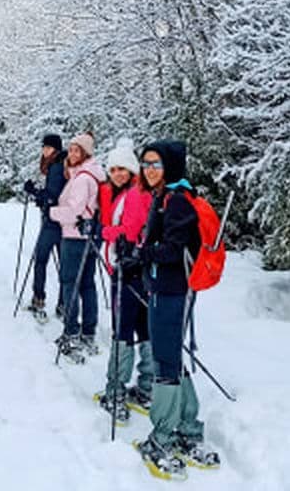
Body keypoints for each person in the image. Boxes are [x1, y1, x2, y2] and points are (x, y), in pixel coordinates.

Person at [131, 140, 219, 477]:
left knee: (166, 362)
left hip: (172, 292)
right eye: (146, 163)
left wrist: (142, 255)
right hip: (165, 289)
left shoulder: (178, 202)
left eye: (156, 164)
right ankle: (188, 430)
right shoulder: (165, 197)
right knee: (171, 359)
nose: (149, 169)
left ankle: (163, 438)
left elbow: (170, 250)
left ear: (170, 166)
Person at [93, 138, 154, 424]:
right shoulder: (138, 192)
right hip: (141, 271)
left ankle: (115, 392)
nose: (117, 174)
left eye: (122, 169)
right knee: (143, 327)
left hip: (126, 270)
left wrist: (103, 231)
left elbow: (128, 232)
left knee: (122, 330)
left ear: (132, 171)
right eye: (113, 169)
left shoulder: (133, 195)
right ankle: (146, 387)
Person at [49, 132, 106, 360]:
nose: (72, 154)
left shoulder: (82, 178)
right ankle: (88, 331)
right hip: (90, 236)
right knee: (86, 284)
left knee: (69, 282)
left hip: (74, 236)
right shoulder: (92, 174)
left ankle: (71, 331)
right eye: (71, 149)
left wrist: (52, 212)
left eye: (77, 150)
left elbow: (74, 211)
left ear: (86, 154)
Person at [23, 134, 68, 320]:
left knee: (41, 260)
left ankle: (38, 299)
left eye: (48, 148)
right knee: (63, 266)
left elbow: (52, 196)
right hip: (62, 222)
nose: (44, 150)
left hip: (52, 223)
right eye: (44, 147)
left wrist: (33, 192)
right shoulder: (58, 165)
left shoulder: (56, 167)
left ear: (55, 149)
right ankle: (62, 304)